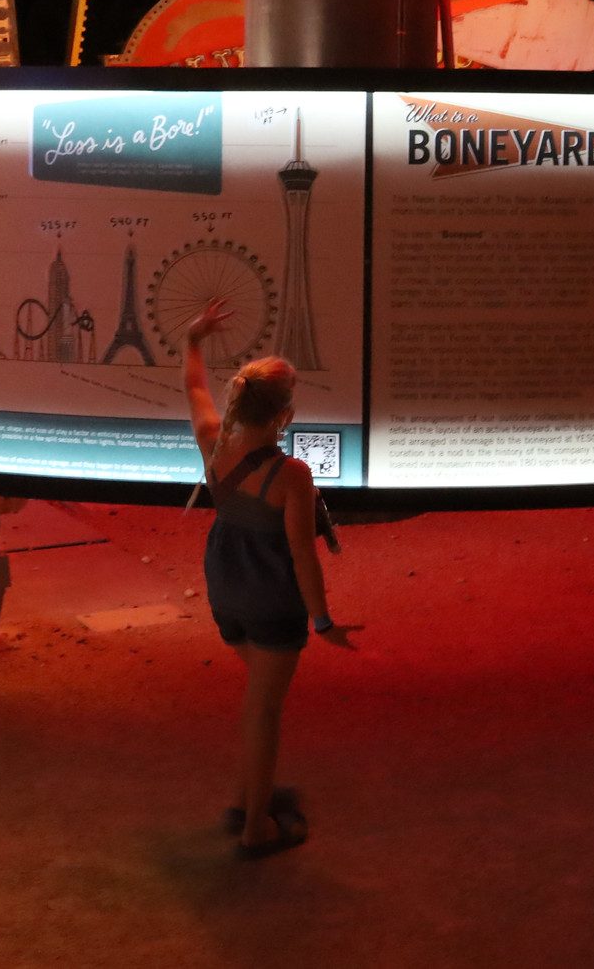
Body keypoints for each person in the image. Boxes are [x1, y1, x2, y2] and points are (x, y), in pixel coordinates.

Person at [181, 298, 356, 859]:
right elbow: (303, 558)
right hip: (270, 598)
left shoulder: (215, 440)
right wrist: (324, 621)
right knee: (263, 712)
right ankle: (257, 825)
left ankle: (250, 793)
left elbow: (194, 390)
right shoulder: (292, 475)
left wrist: (193, 342)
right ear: (284, 413)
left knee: (258, 693)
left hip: (224, 588)